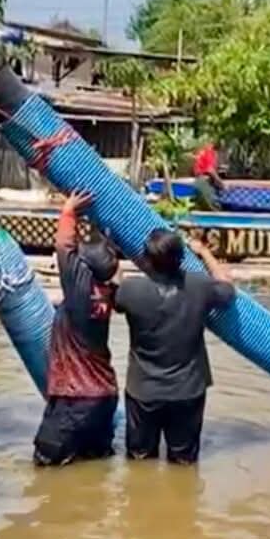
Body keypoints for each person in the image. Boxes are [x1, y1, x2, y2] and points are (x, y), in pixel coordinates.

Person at [114, 229, 235, 464]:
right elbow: (228, 287)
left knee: (139, 464)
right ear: (182, 258)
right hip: (187, 390)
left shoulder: (130, 291)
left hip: (144, 391)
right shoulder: (200, 286)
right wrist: (204, 253)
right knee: (184, 464)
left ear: (146, 259)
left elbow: (114, 291)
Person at [33, 190, 120, 467]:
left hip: (75, 398)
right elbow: (103, 257)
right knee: (95, 467)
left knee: (45, 466)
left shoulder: (80, 290)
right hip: (103, 398)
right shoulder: (110, 290)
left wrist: (68, 211)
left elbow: (64, 248)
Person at [192, 142, 225, 211]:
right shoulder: (210, 152)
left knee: (201, 208)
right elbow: (210, 170)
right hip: (204, 182)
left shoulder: (203, 151)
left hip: (197, 181)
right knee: (214, 208)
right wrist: (221, 183)